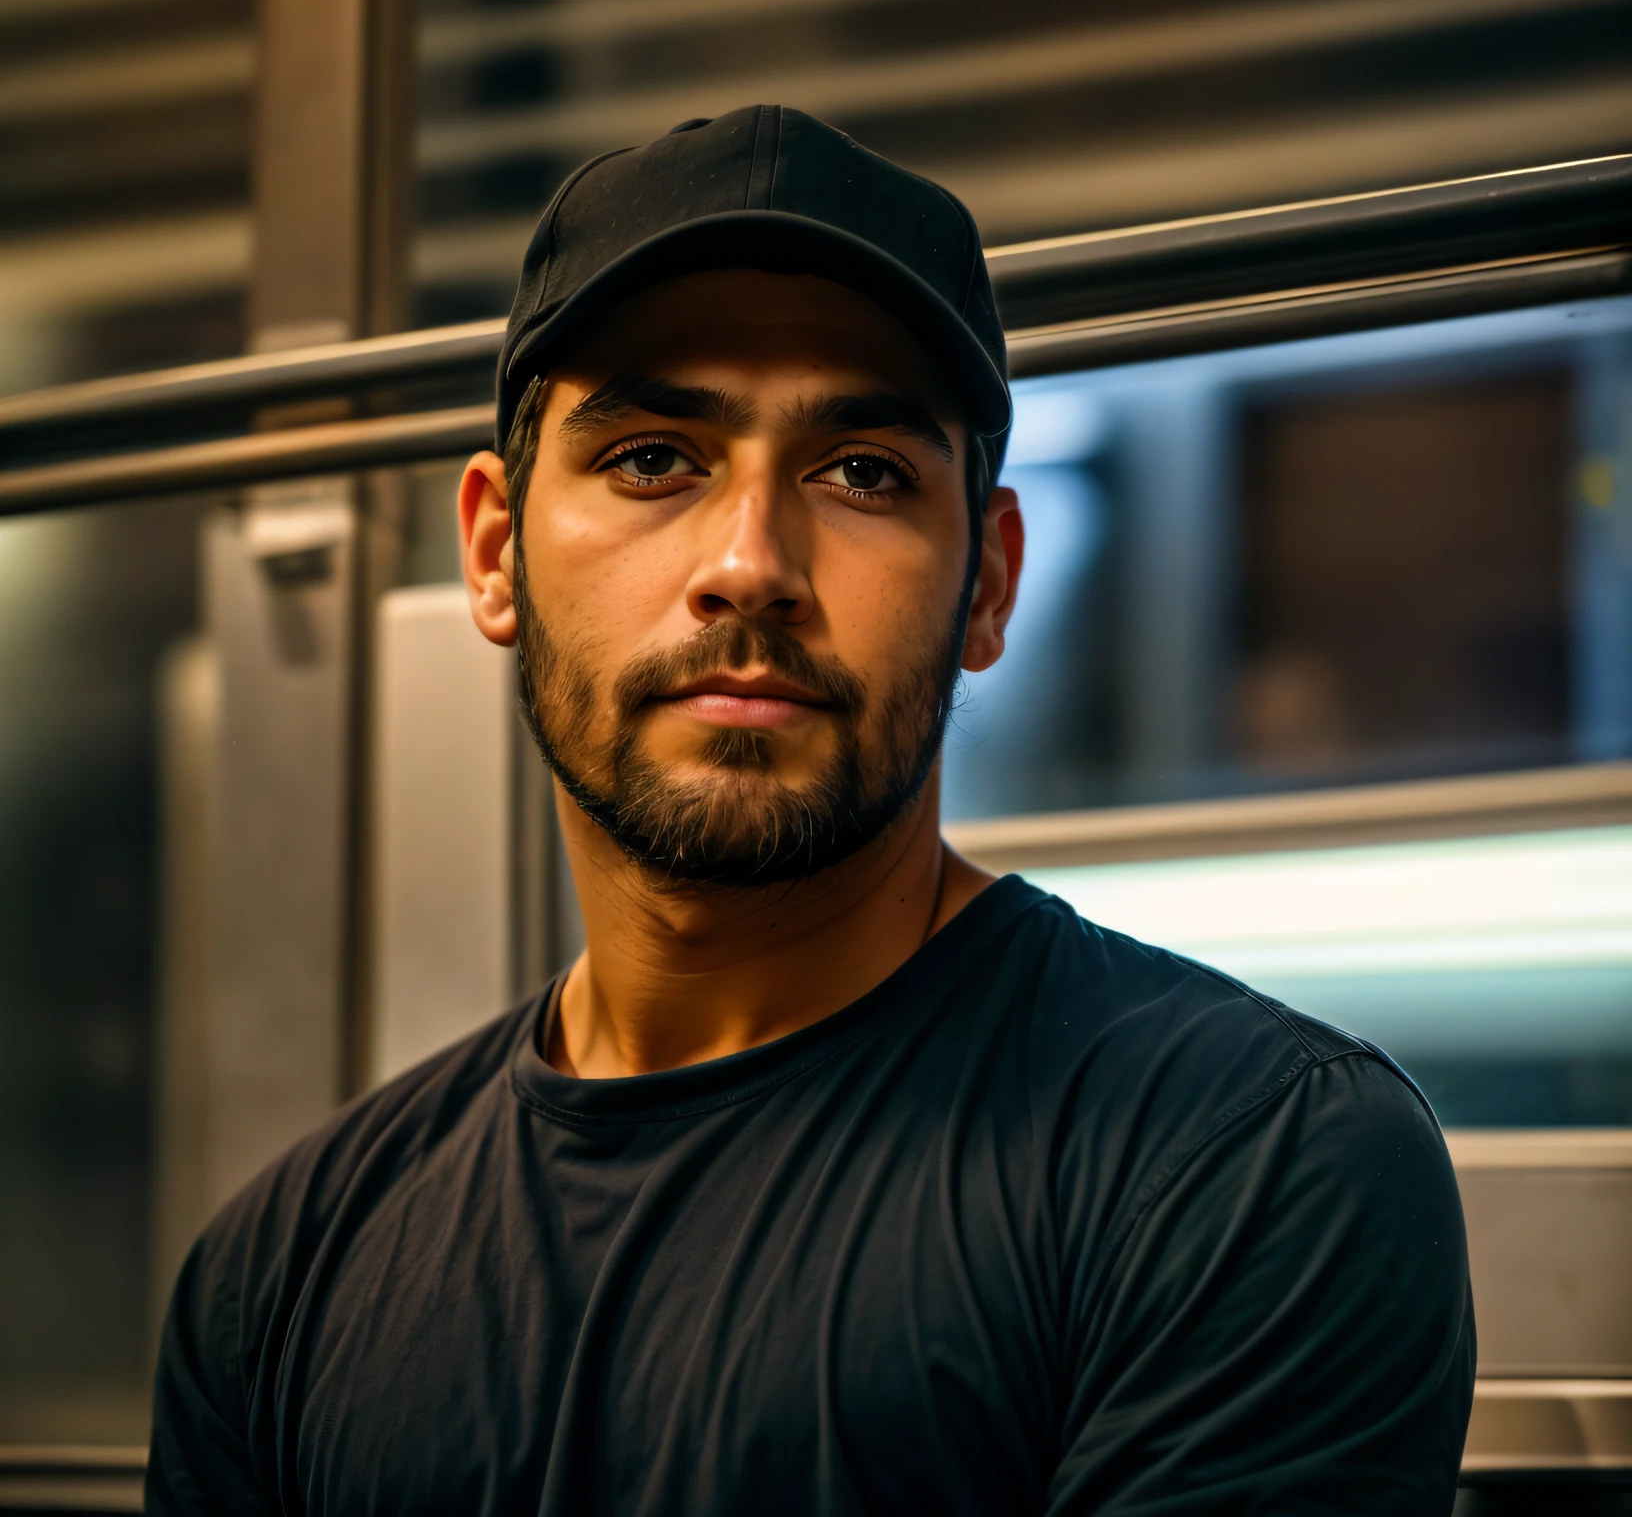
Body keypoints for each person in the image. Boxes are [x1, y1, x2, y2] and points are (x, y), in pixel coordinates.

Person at [147, 106, 1475, 1514]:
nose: (749, 564)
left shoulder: (1248, 1169)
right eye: (654, 456)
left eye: (864, 473)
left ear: (989, 585)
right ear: (493, 551)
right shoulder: (278, 1280)